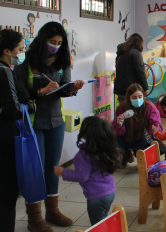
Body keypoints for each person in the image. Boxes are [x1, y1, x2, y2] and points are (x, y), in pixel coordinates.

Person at [13, 22, 84, 229]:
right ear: (42, 39)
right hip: (33, 123)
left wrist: (72, 89)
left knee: (53, 168)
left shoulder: (62, 60)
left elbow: (64, 89)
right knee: (33, 170)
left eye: (59, 43)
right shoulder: (26, 61)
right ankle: (34, 217)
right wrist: (40, 92)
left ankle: (52, 211)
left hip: (56, 122)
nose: (55, 46)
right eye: (52, 42)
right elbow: (18, 93)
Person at [54, 117, 120, 225]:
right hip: (110, 192)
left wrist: (63, 172)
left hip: (97, 197)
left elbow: (81, 176)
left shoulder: (82, 155)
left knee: (97, 225)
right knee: (103, 219)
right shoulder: (106, 149)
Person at [0, 29, 35, 232]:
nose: (22, 53)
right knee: (7, 192)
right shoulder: (4, 71)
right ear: (7, 50)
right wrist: (30, 107)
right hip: (5, 136)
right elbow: (13, 108)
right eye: (20, 49)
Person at [112, 83, 164, 165]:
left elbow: (156, 123)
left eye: (140, 97)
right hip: (128, 136)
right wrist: (119, 125)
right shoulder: (122, 107)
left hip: (144, 136)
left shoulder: (149, 107)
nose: (137, 99)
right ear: (129, 98)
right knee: (112, 143)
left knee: (139, 150)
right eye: (134, 97)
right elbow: (119, 132)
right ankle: (126, 155)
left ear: (143, 96)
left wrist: (156, 131)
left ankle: (147, 160)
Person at [114, 33, 148, 103]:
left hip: (119, 88)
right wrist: (145, 88)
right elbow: (140, 71)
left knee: (123, 111)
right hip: (131, 89)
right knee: (132, 111)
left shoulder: (121, 53)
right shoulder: (136, 53)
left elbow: (117, 67)